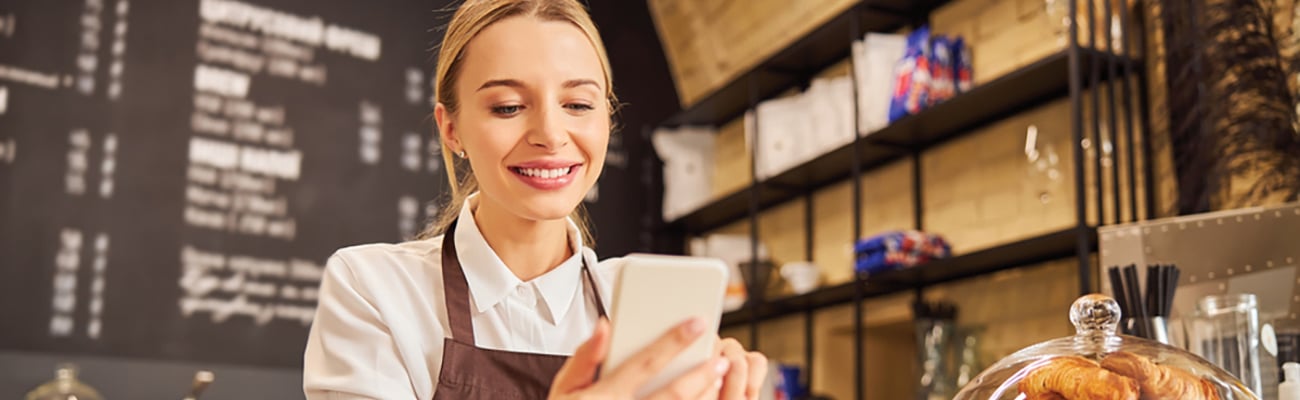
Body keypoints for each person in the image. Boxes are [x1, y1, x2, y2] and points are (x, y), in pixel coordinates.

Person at [302, 0, 768, 398]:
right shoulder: (376, 290)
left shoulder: (642, 303)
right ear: (451, 128)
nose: (549, 134)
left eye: (579, 105)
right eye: (508, 106)